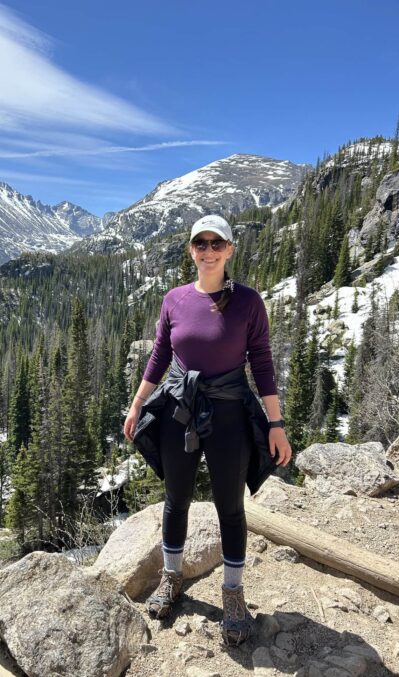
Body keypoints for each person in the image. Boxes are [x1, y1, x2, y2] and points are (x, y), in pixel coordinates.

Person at [123, 214, 292, 646]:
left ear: (230, 250)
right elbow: (160, 354)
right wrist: (137, 403)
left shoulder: (249, 302)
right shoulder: (174, 299)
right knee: (175, 498)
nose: (209, 250)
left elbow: (262, 363)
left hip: (230, 410)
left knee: (229, 506)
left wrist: (275, 423)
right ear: (191, 250)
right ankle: (171, 577)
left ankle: (233, 594)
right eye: (202, 243)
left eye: (218, 243)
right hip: (180, 406)